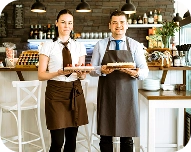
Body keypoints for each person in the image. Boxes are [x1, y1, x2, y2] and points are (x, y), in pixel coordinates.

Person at [90, 10, 149, 152]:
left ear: (127, 25)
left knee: (127, 137)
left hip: (128, 95)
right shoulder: (100, 45)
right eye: (115, 23)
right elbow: (91, 70)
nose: (118, 26)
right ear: (109, 25)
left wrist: (135, 73)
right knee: (105, 136)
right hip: (106, 94)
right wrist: (101, 70)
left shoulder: (135, 45)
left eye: (122, 22)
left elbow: (145, 71)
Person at [38, 9, 89, 152]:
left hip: (75, 91)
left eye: (70, 23)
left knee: (72, 139)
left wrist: (81, 73)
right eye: (63, 22)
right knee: (57, 141)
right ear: (56, 24)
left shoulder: (79, 46)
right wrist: (58, 73)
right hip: (56, 93)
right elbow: (41, 75)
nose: (66, 25)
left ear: (72, 26)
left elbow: (83, 76)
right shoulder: (48, 46)